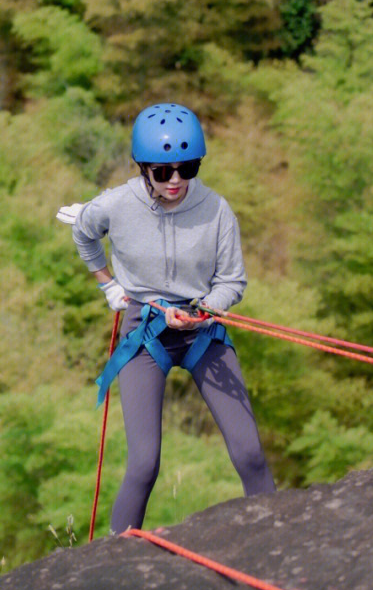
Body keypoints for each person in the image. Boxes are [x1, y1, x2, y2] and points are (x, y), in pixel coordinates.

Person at [57, 102, 276, 534]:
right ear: (142, 168)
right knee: (144, 464)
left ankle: (277, 538)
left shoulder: (216, 210)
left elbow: (232, 280)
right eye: (162, 171)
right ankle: (115, 558)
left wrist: (204, 311)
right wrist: (108, 284)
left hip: (202, 327)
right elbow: (83, 230)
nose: (176, 180)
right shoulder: (117, 205)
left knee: (250, 452)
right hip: (145, 330)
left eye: (187, 167)